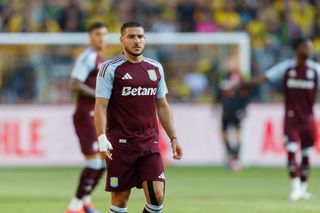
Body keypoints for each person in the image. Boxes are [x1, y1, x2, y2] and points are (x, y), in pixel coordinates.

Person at [94, 21, 183, 213]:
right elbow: (100, 107)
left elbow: (162, 105)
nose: (137, 41)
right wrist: (101, 137)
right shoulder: (110, 69)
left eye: (140, 36)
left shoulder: (155, 68)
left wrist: (173, 137)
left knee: (157, 197)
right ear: (121, 40)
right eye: (131, 36)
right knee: (120, 200)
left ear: (145, 39)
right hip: (120, 143)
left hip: (149, 142)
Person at [241, 38, 320, 201]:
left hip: (308, 119)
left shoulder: (316, 70)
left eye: (310, 48)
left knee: (306, 154)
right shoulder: (287, 67)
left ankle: (304, 190)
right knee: (291, 151)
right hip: (291, 118)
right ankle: (295, 188)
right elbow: (265, 77)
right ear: (297, 49)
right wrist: (244, 84)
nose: (308, 51)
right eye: (305, 47)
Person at [66, 22, 108, 213]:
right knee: (94, 162)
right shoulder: (88, 56)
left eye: (104, 34)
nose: (102, 38)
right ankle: (74, 207)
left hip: (97, 116)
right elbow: (74, 84)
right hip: (85, 114)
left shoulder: (100, 58)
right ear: (90, 36)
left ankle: (86, 202)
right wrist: (99, 95)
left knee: (103, 163)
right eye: (97, 34)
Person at [217, 58, 249, 171]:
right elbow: (218, 92)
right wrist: (215, 105)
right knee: (223, 135)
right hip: (226, 110)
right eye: (228, 62)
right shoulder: (223, 77)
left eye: (231, 62)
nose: (229, 64)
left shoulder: (241, 77)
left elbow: (246, 94)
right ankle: (231, 156)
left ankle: (236, 159)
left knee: (237, 135)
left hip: (236, 109)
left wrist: (243, 109)